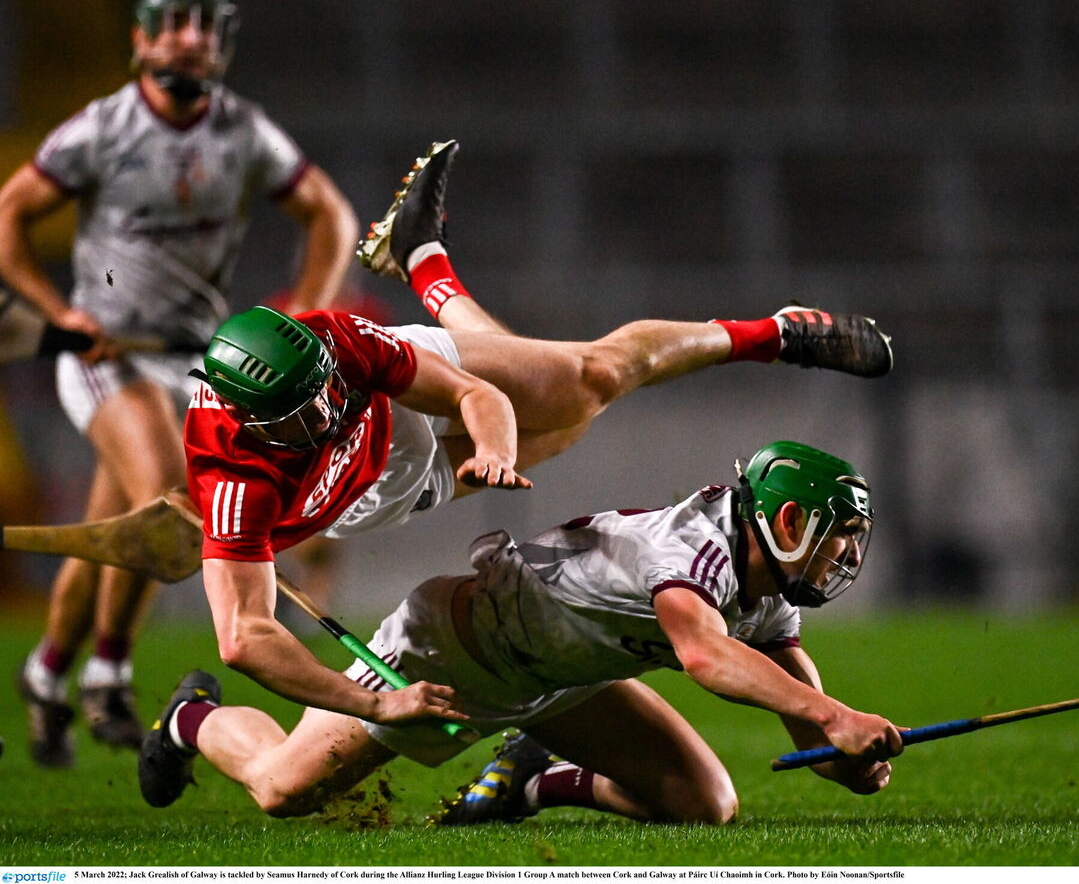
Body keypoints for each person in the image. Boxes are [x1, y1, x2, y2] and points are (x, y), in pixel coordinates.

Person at [174, 134, 894, 735]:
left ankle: (774, 334)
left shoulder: (334, 347)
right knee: (571, 424)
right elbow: (246, 637)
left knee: (588, 380)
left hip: (397, 399)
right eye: (306, 416)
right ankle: (425, 259)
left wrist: (493, 448)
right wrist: (372, 701)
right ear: (254, 424)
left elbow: (468, 391)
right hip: (368, 490)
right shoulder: (237, 486)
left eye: (327, 392)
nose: (330, 413)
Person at [137, 441, 903, 824]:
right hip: (454, 660)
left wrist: (841, 753)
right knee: (282, 790)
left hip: (560, 679)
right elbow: (702, 653)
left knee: (706, 804)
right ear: (791, 520)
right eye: (843, 534)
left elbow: (807, 715)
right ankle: (188, 718)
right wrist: (836, 720)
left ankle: (531, 778)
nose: (849, 556)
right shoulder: (693, 546)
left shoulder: (770, 581)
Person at [0, 0, 358, 766]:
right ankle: (106, 677)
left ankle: (52, 673)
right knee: (166, 489)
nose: (190, 38)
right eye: (173, 23)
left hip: (195, 359)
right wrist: (59, 316)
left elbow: (328, 213)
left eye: (204, 24)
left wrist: (307, 306)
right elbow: (10, 215)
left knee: (118, 528)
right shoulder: (103, 128)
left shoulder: (242, 130)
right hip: (107, 357)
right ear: (141, 40)